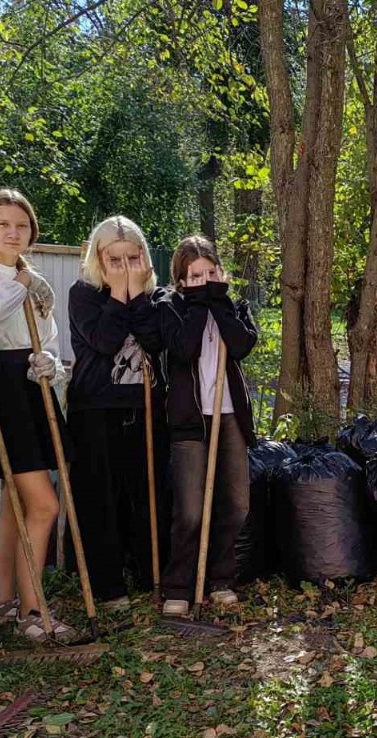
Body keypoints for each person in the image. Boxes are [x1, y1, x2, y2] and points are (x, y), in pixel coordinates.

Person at [0, 187, 76, 643]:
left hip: (29, 388)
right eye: (4, 224)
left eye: (21, 225)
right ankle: (33, 611)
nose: (13, 232)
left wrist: (52, 365)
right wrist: (21, 283)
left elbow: (47, 340)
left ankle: (3, 600)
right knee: (44, 504)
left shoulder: (35, 279)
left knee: (15, 501)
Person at [66, 216, 168, 606]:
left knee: (147, 494)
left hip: (145, 408)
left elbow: (155, 341)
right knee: (99, 498)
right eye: (114, 258)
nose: (124, 266)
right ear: (98, 257)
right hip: (96, 410)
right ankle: (108, 585)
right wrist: (118, 294)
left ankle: (149, 573)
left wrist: (136, 294)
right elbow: (106, 341)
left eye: (131, 257)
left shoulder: (156, 296)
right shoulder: (83, 294)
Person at [155, 236, 258, 618]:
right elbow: (183, 349)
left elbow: (243, 344)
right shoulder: (171, 308)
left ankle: (220, 578)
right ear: (181, 280)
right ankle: (179, 584)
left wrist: (219, 302)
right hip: (190, 421)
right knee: (191, 511)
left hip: (230, 415)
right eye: (195, 276)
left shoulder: (233, 306)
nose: (204, 280)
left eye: (210, 272)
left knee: (236, 504)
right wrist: (199, 304)